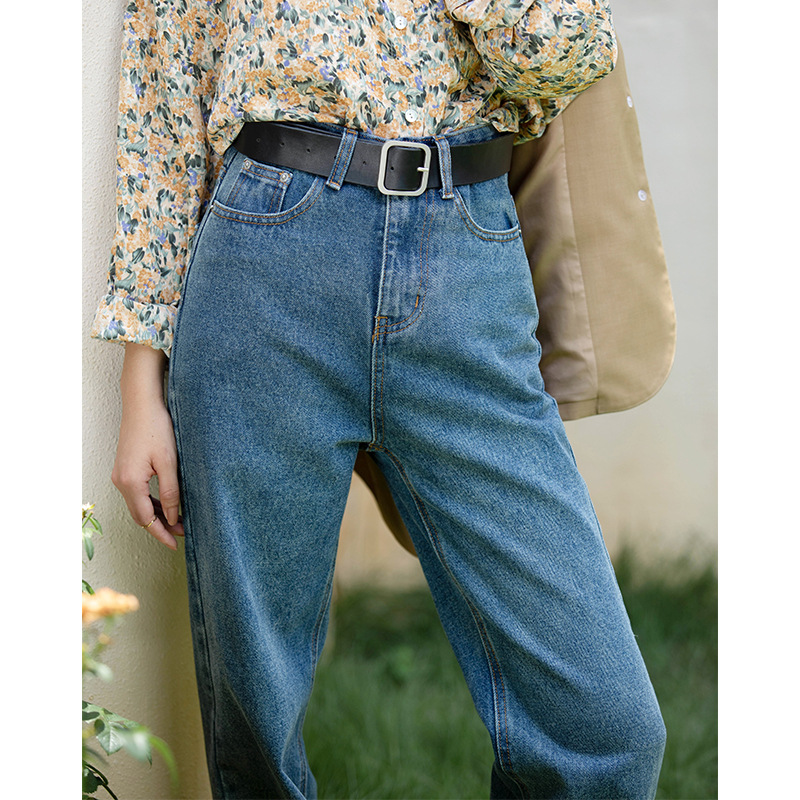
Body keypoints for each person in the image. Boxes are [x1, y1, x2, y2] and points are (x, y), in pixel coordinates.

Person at [92, 1, 667, 797]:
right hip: (267, 260)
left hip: (468, 263)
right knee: (256, 729)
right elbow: (162, 110)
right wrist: (140, 387)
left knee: (607, 730)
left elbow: (567, 55)